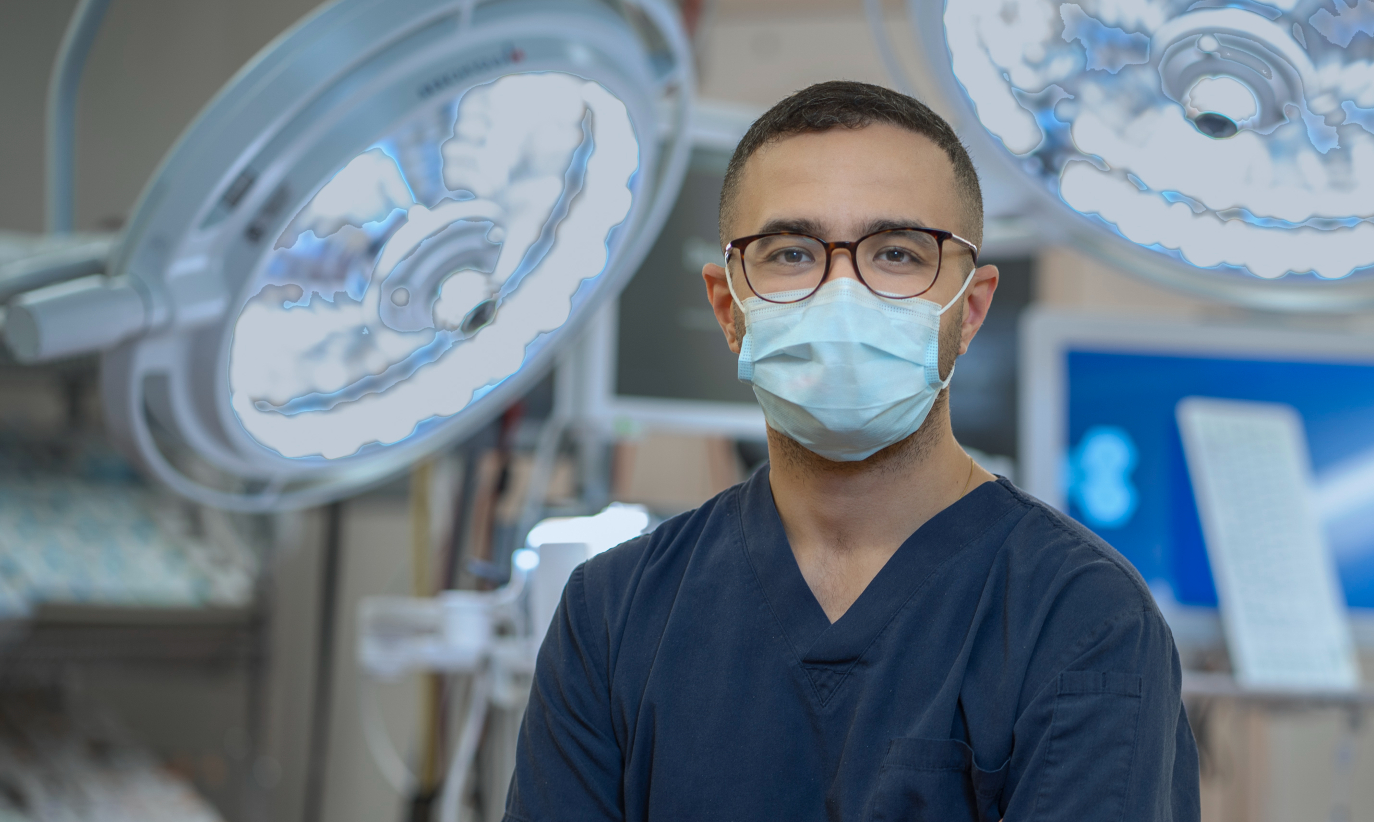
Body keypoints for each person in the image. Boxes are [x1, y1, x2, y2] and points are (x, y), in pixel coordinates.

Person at [504, 80, 1199, 821]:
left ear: (969, 310)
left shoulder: (1080, 618)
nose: (843, 293)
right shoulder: (613, 616)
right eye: (791, 253)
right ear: (727, 307)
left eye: (897, 253)